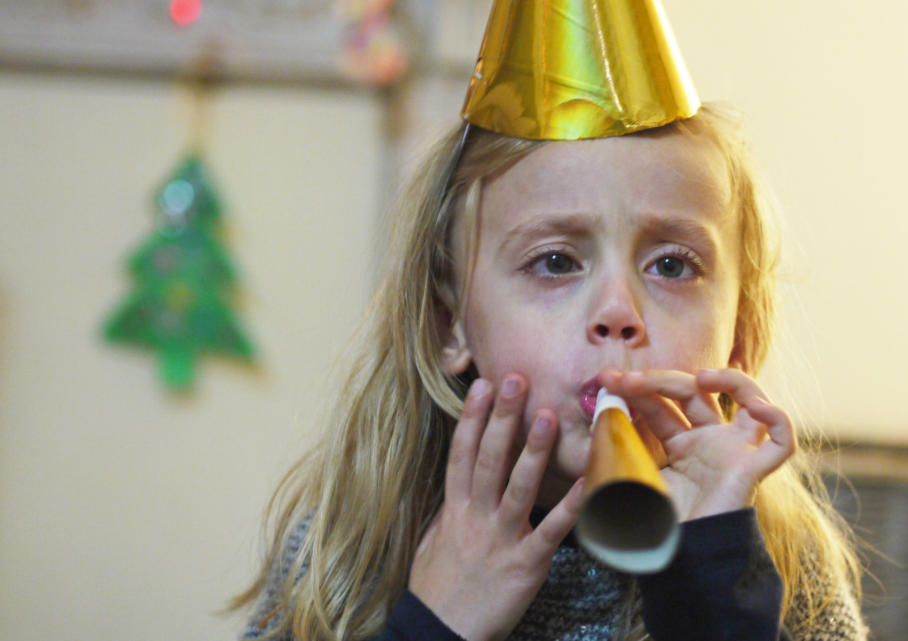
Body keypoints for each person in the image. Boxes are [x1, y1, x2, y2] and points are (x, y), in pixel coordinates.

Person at [234, 3, 868, 640]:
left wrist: (711, 592)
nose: (618, 314)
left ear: (741, 336)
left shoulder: (782, 566)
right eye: (557, 262)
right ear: (448, 322)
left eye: (672, 266)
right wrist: (435, 623)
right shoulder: (354, 544)